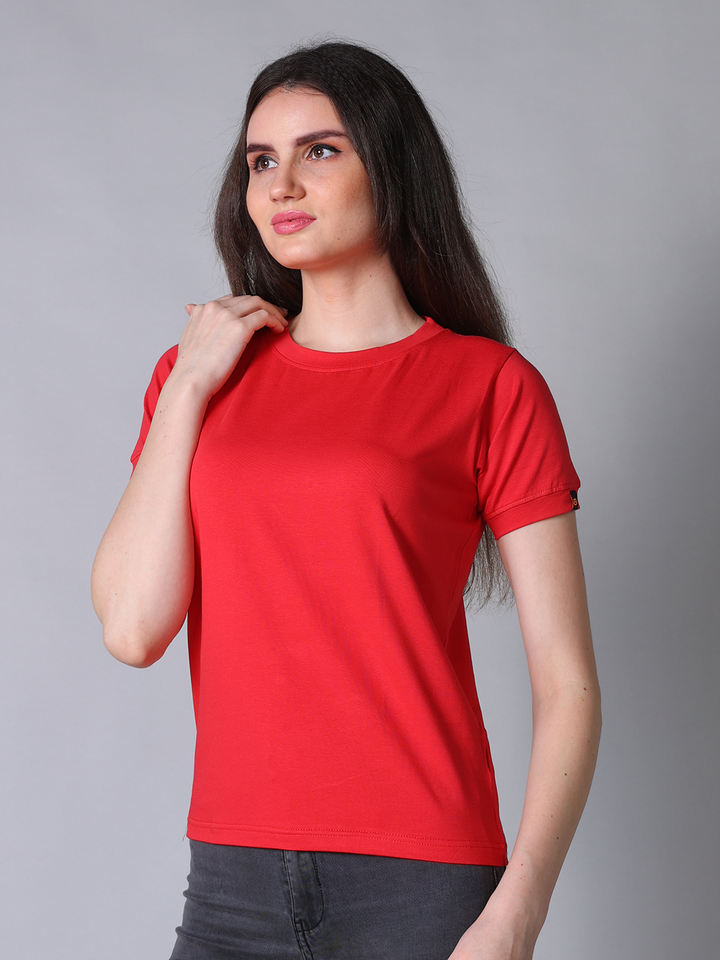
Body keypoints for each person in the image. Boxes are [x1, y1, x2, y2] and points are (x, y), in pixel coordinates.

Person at [91, 38, 602, 960]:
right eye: (261, 161)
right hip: (231, 884)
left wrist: (515, 915)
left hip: (423, 887)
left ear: (391, 169)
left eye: (320, 151)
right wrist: (189, 387)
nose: (282, 184)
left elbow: (567, 681)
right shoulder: (196, 378)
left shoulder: (489, 385)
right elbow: (132, 629)